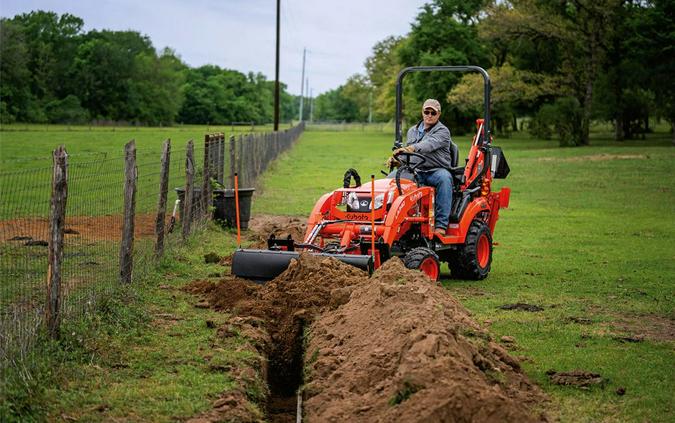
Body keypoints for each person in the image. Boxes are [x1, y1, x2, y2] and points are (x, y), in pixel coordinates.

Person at [388, 99, 455, 236]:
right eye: (427, 112)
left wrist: (412, 147)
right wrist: (397, 160)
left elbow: (429, 145)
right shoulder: (412, 131)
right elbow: (409, 155)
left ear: (438, 114)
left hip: (436, 170)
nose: (429, 115)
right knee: (392, 179)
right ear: (422, 112)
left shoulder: (443, 131)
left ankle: (441, 225)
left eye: (433, 112)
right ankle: (388, 219)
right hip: (416, 170)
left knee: (444, 179)